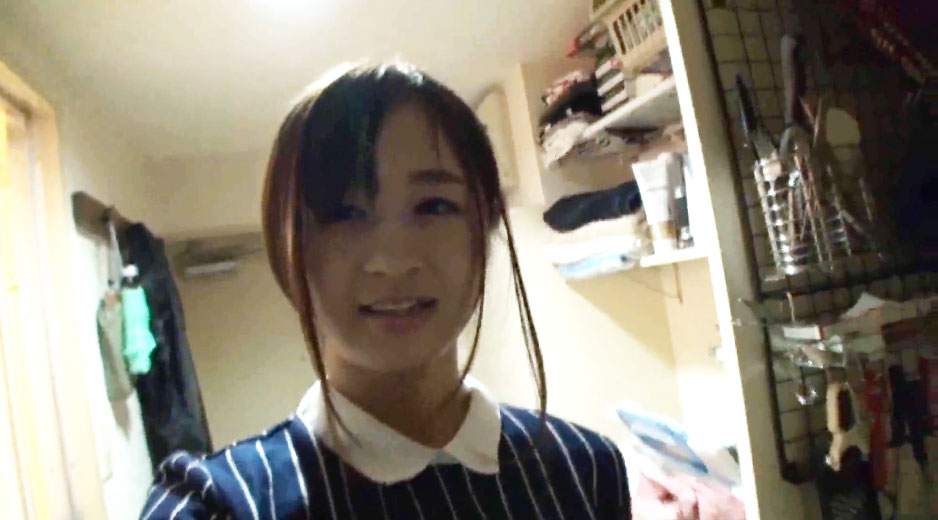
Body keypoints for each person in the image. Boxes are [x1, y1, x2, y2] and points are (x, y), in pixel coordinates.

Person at [140, 62, 630, 520]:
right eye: (344, 214)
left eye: (434, 205)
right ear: (288, 250)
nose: (393, 260)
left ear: (486, 224)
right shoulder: (214, 504)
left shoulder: (587, 471)